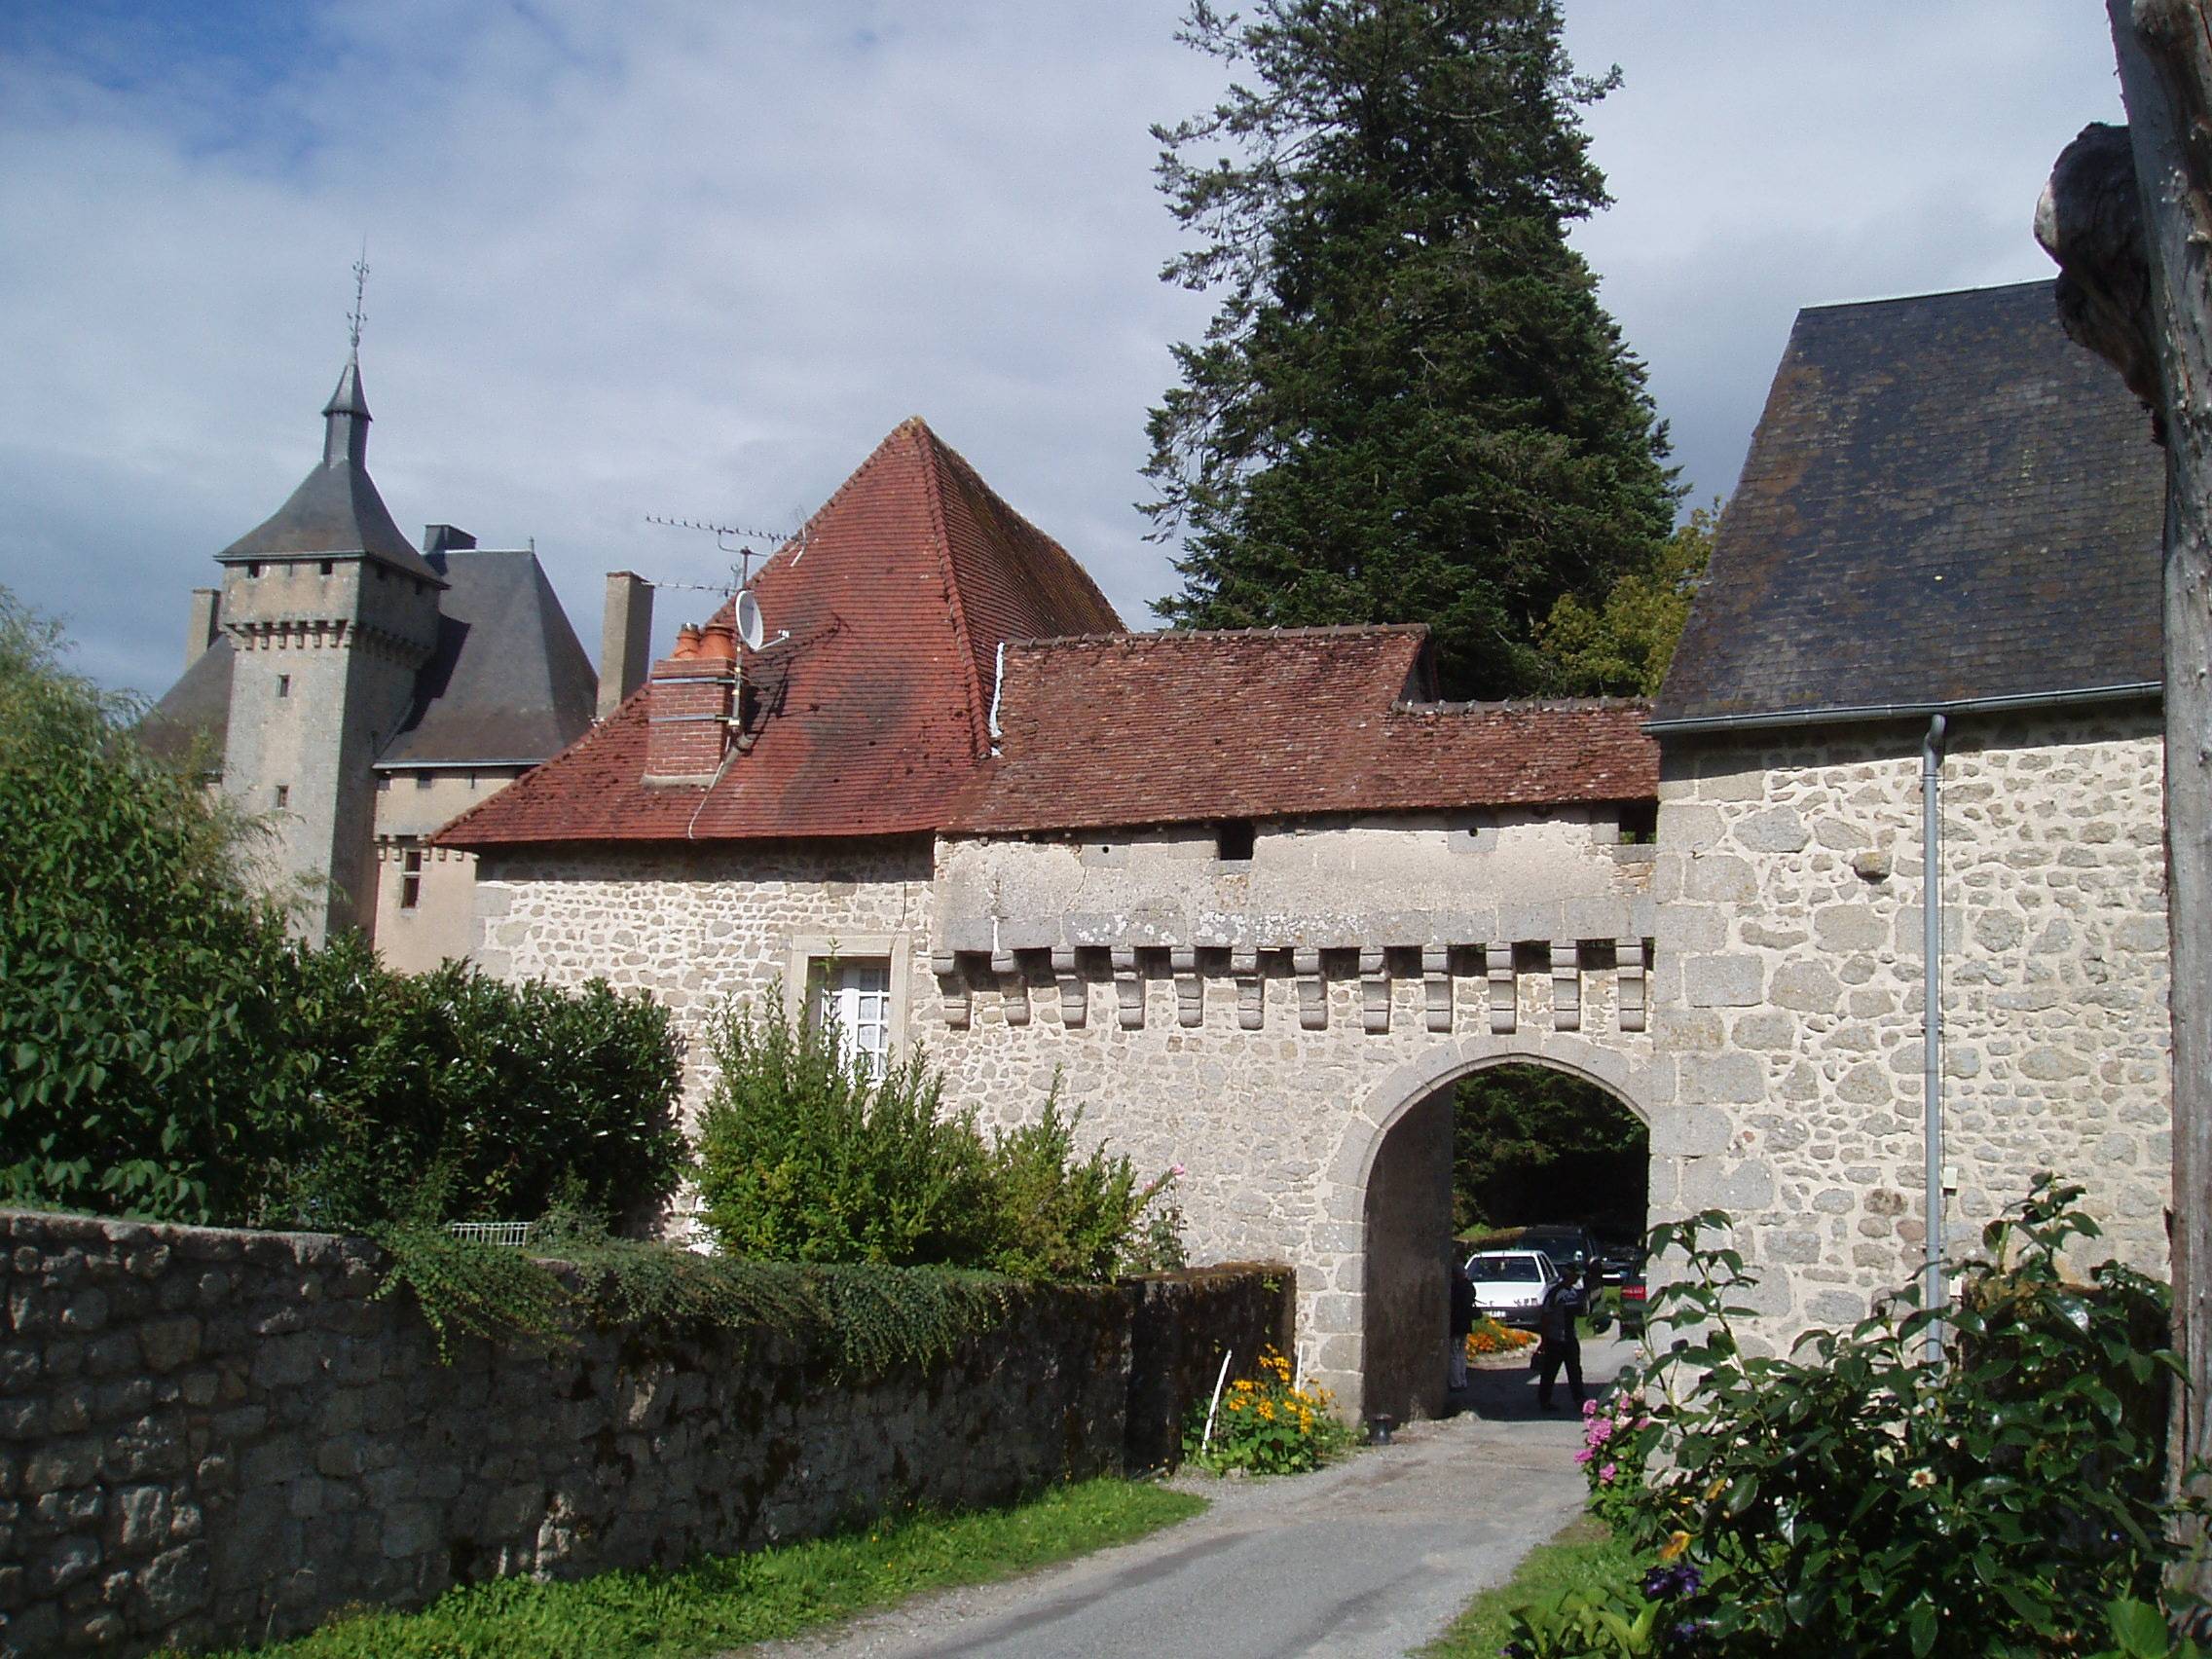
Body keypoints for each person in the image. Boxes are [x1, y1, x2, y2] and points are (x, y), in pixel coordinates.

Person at [1535, 1263, 1602, 1410]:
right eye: (1575, 1275)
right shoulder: (1556, 1293)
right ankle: (1544, 1401)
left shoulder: (1573, 1292)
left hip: (1570, 1338)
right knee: (1549, 1372)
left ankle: (1580, 1400)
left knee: (1575, 1371)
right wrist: (1544, 1340)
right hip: (1556, 1339)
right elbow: (1545, 1317)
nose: (1578, 1278)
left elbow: (1580, 1311)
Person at [1449, 1261, 1475, 1390]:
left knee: (1454, 1353)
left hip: (1455, 1324)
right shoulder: (1469, 1286)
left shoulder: (1454, 1288)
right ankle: (1462, 1379)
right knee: (1461, 1352)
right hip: (1465, 1323)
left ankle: (1455, 1382)